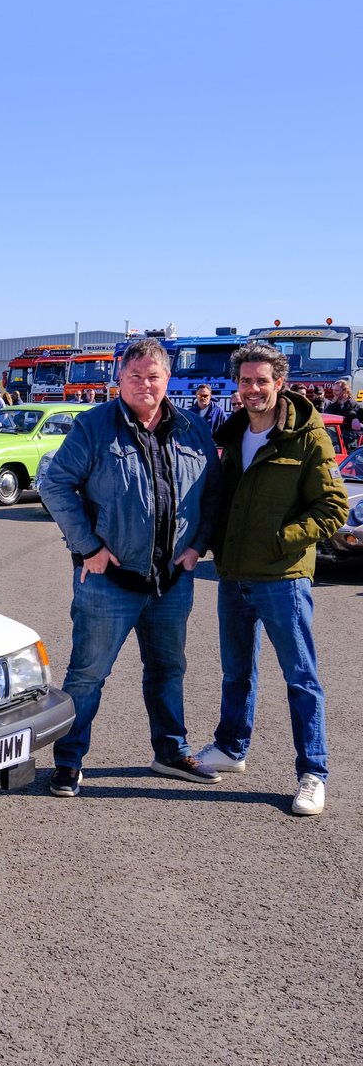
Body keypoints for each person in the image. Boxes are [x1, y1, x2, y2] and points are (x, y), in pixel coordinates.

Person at [39, 336, 222, 797]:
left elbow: (214, 495)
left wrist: (197, 546)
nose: (144, 384)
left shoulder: (193, 429)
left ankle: (170, 752)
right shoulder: (95, 427)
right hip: (109, 581)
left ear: (168, 380)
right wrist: (88, 548)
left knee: (167, 670)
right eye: (135, 376)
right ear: (120, 378)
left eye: (153, 376)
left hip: (172, 581)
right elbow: (56, 485)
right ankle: (68, 761)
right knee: (87, 675)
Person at [196, 342, 349, 816]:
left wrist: (283, 539)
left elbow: (334, 507)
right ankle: (231, 748)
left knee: (301, 676)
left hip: (282, 577)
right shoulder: (233, 433)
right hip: (235, 575)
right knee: (236, 671)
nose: (253, 389)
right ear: (236, 385)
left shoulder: (307, 436)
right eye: (246, 381)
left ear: (279, 383)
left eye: (262, 381)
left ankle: (313, 772)